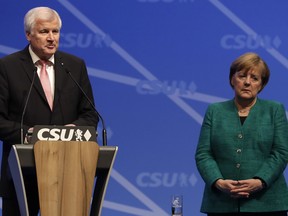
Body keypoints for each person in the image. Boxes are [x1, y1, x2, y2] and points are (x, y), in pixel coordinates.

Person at [0, 7, 99, 215]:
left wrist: (72, 130)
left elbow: (90, 115)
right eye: (44, 32)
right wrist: (30, 135)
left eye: (55, 32)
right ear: (28, 34)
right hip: (21, 175)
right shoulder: (7, 67)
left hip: (68, 175)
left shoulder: (74, 66)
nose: (52, 38)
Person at [195, 52, 288, 216]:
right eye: (242, 76)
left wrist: (260, 181)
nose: (247, 82)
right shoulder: (215, 111)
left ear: (261, 85)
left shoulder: (274, 110)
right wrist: (218, 182)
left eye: (254, 78)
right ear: (232, 79)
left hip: (268, 204)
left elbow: (281, 152)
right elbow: (204, 154)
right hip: (221, 204)